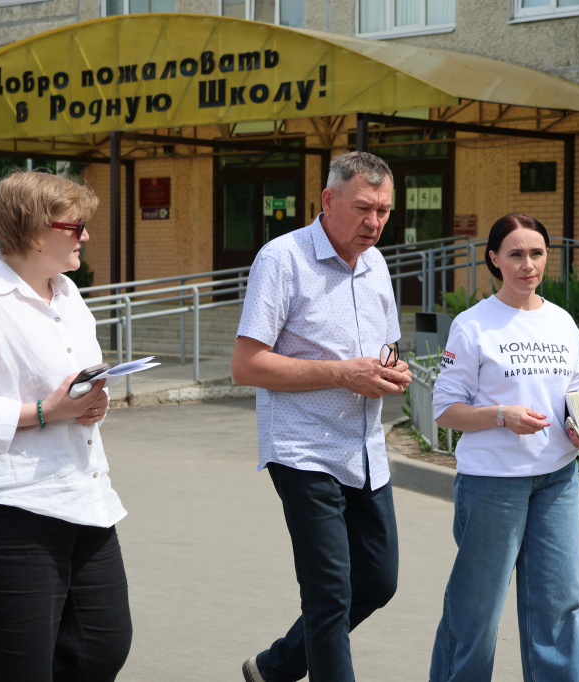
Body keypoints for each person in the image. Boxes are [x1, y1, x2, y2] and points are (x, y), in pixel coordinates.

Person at [0, 170, 132, 682]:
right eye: (75, 226)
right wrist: (42, 412)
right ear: (36, 232)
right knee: (21, 668)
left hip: (84, 497)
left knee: (103, 647)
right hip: (8, 510)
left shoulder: (69, 296)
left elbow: (70, 382)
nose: (85, 235)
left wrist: (91, 403)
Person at [232, 151, 413, 682]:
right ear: (328, 200)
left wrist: (393, 369)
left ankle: (274, 668)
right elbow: (247, 365)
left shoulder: (377, 264)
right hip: (303, 450)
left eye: (383, 210)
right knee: (329, 594)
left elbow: (386, 348)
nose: (374, 222)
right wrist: (342, 374)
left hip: (365, 449)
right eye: (363, 208)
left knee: (377, 581)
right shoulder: (281, 259)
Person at [428, 214, 579, 682]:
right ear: (494, 260)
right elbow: (444, 410)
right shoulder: (473, 325)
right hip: (492, 484)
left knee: (562, 605)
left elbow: (573, 393)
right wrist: (501, 415)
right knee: (476, 612)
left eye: (537, 253)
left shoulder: (562, 322)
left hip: (557, 480)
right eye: (516, 254)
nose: (528, 265)